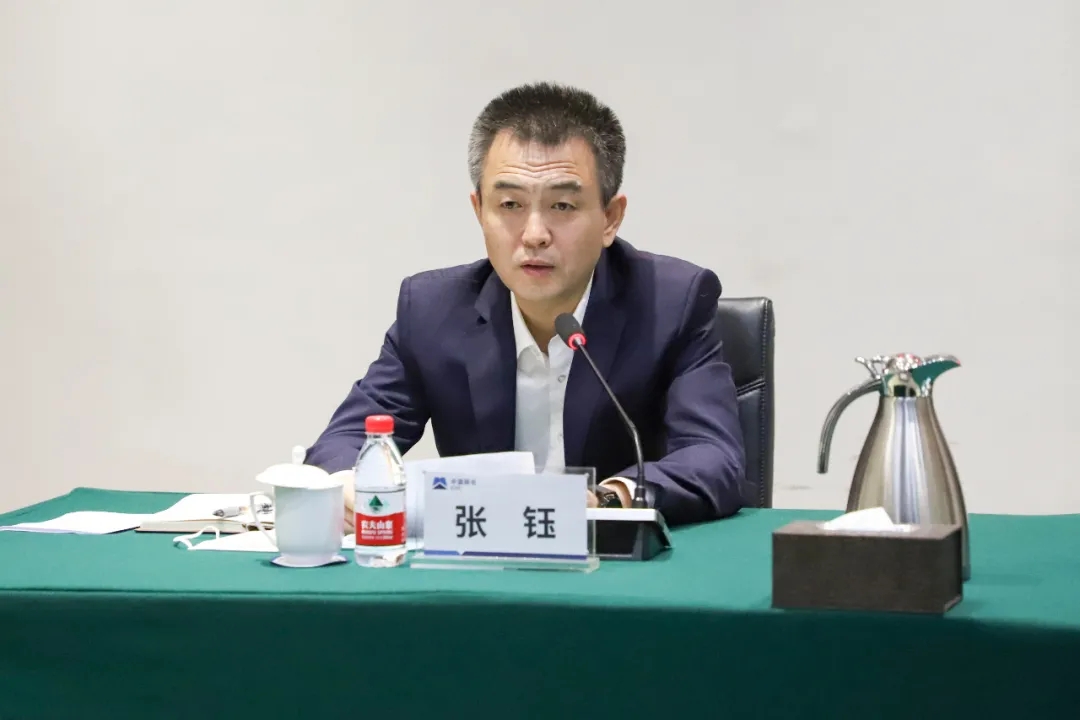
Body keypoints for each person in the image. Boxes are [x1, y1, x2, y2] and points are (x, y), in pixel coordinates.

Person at [306, 81, 746, 528]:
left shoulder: (671, 304)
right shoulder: (432, 311)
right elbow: (346, 440)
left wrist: (608, 500)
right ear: (479, 210)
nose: (534, 234)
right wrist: (348, 483)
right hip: (478, 558)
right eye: (511, 204)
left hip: (614, 562)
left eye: (563, 206)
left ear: (610, 218)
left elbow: (713, 457)